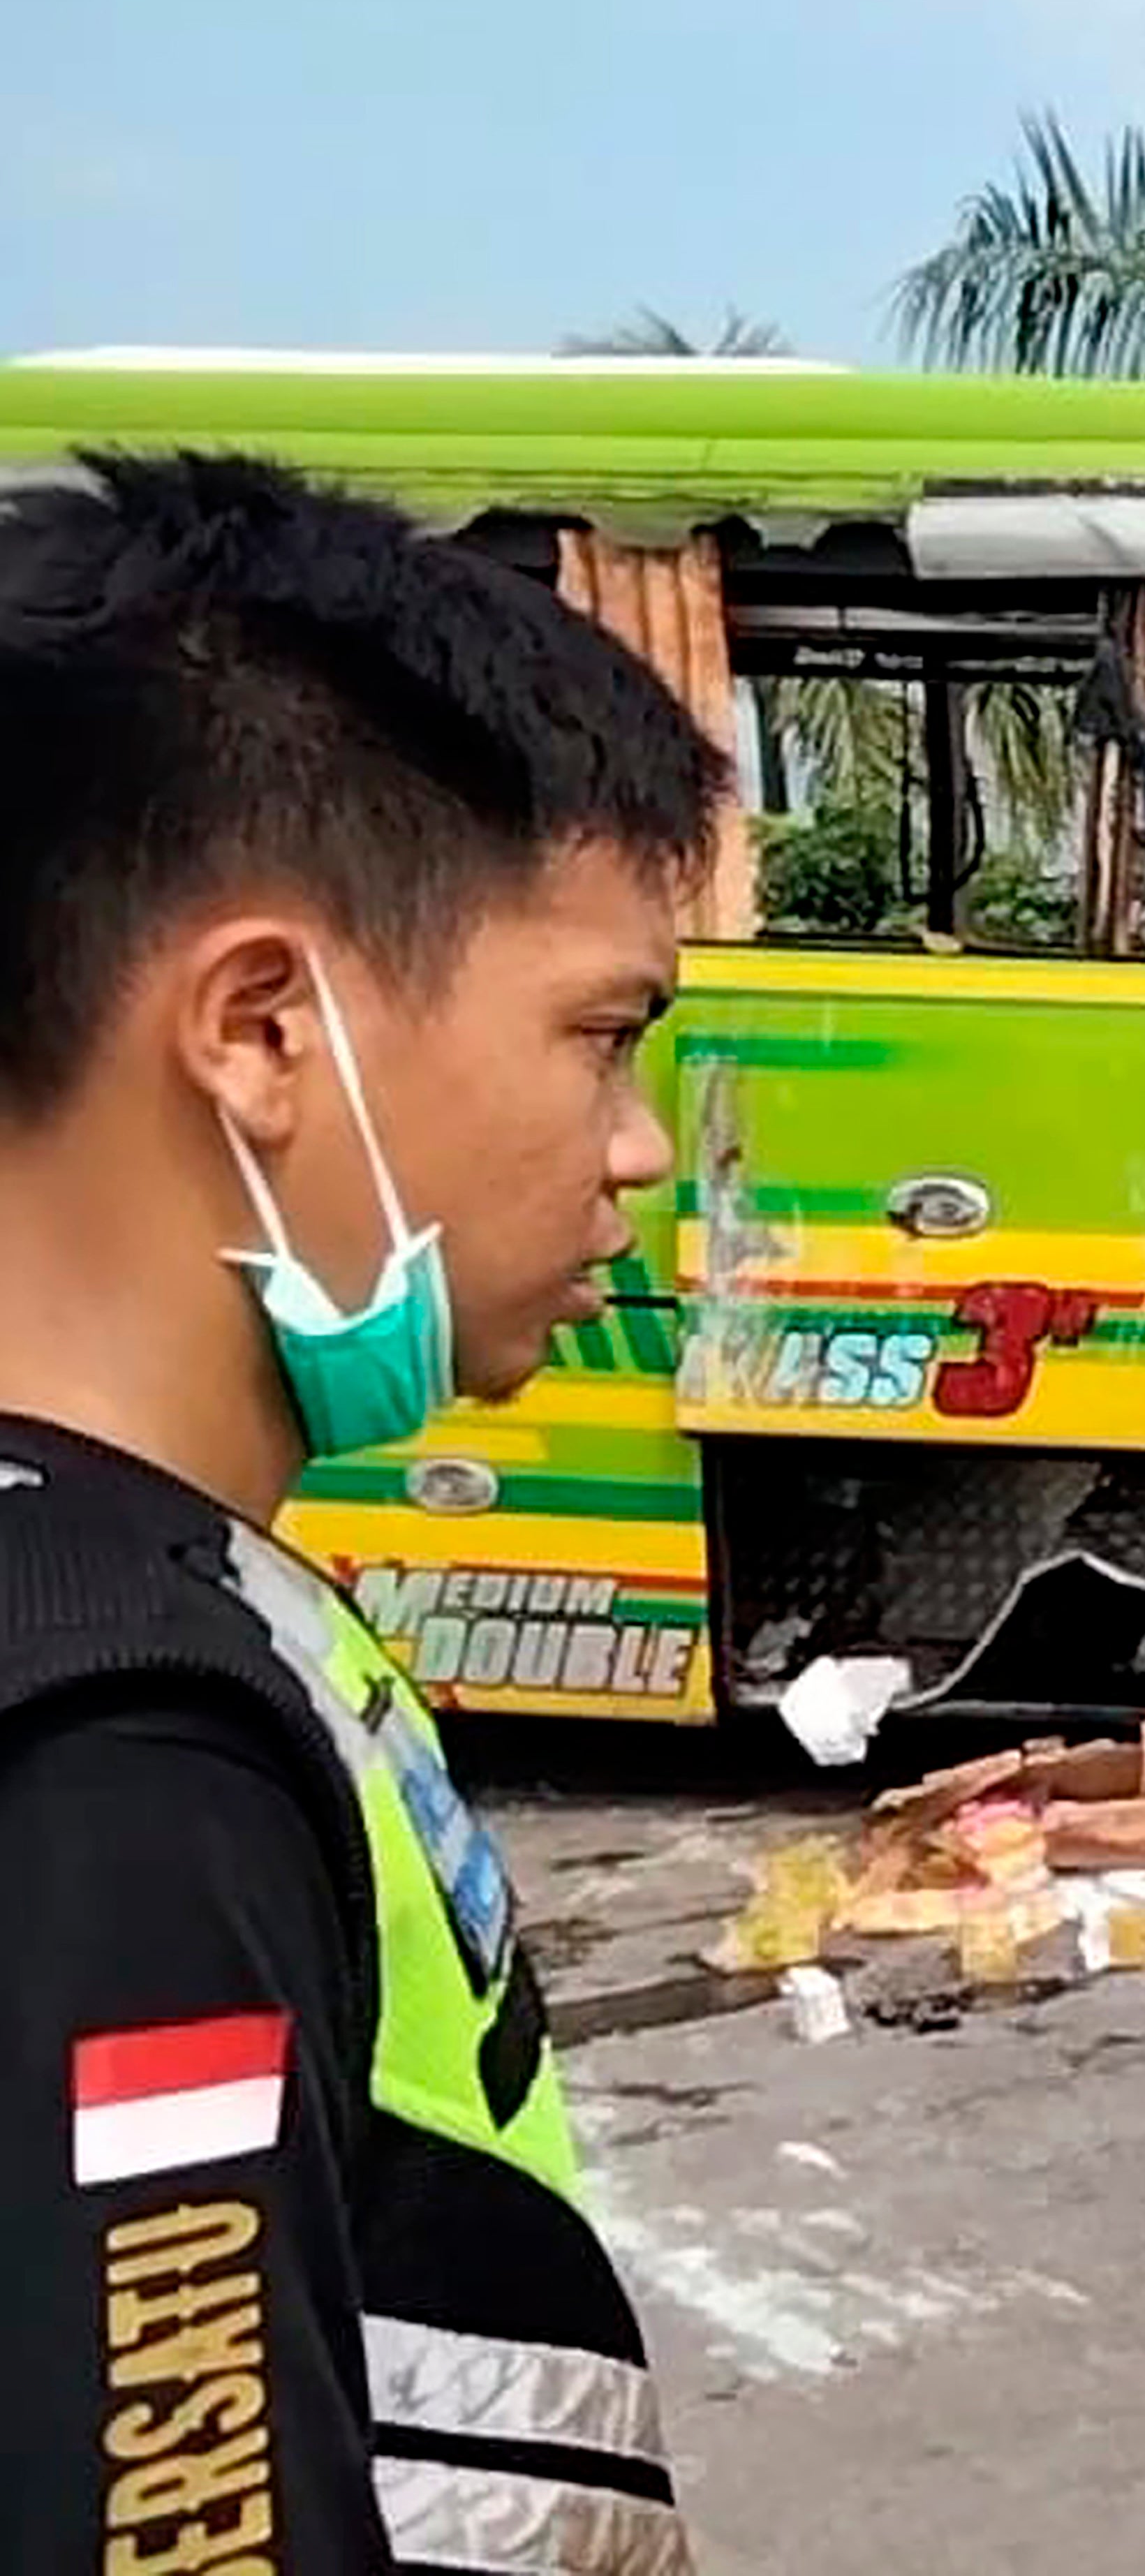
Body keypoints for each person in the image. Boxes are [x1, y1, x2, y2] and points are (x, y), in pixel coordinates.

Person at [0, 452, 725, 2571]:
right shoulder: (121, 1761)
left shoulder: (156, 1595)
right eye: (601, 1039)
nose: (639, 1153)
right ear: (257, 1033)